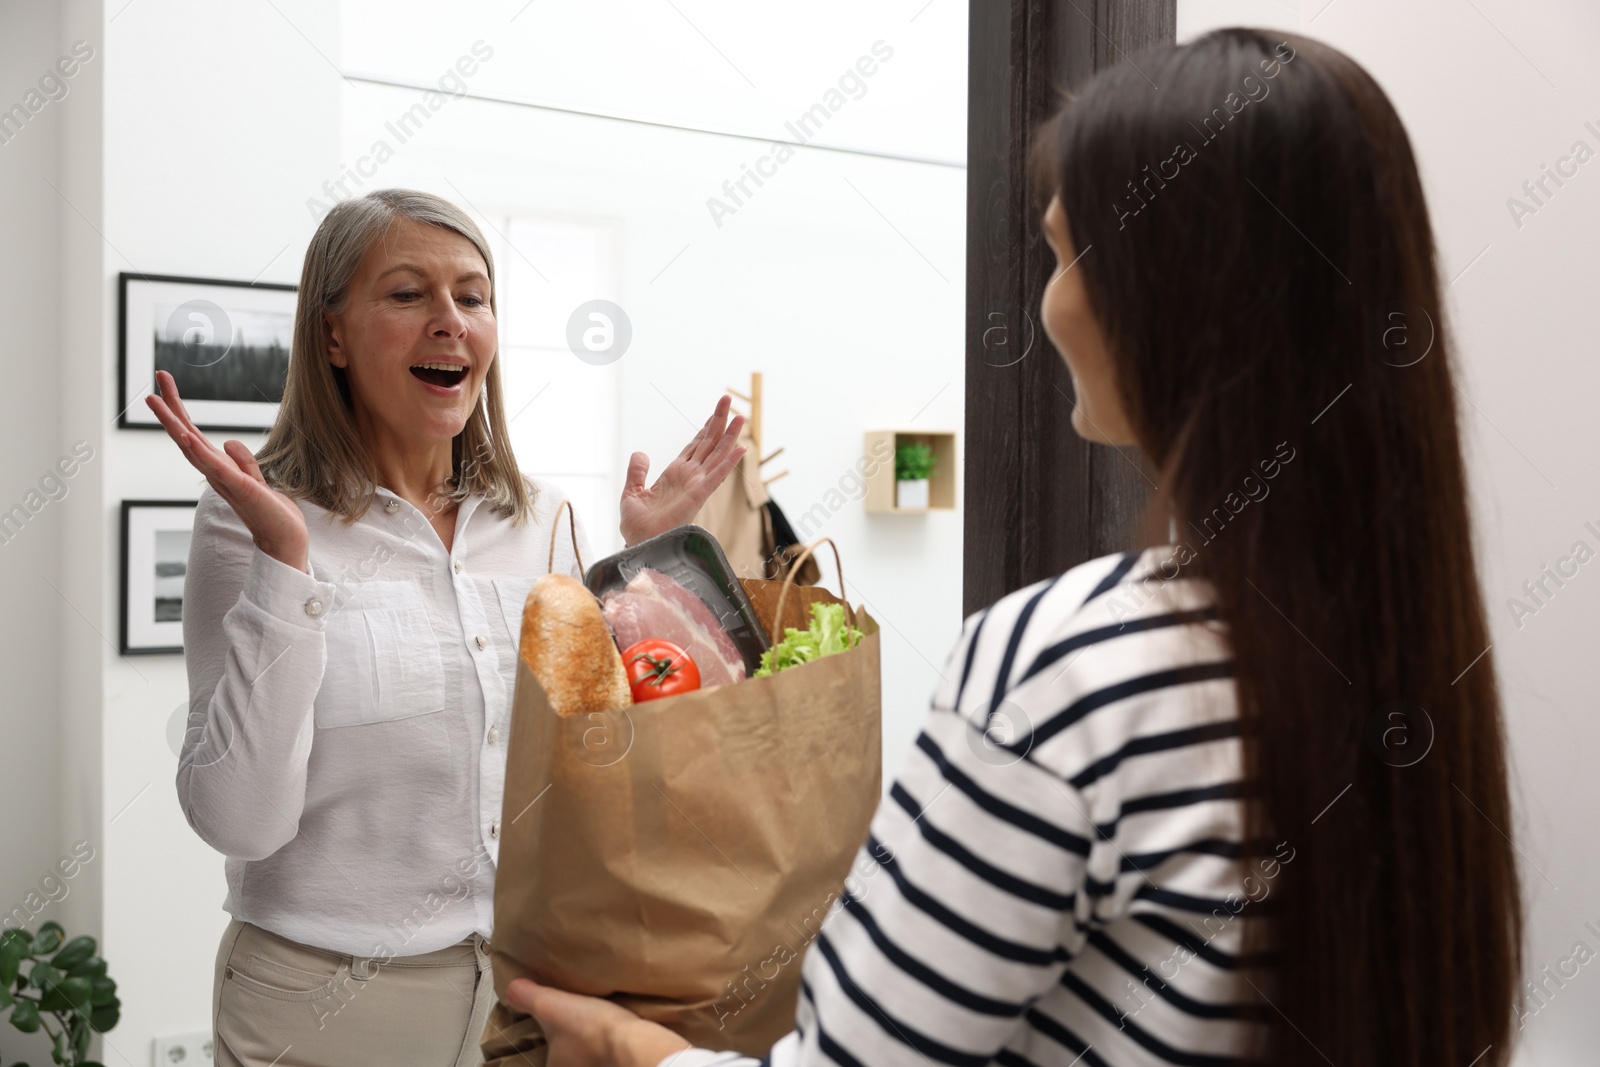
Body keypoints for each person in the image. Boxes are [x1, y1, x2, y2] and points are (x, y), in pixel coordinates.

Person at [505, 28, 1523, 1067]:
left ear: (1166, 293)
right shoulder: (1419, 659)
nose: (1048, 300)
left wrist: (627, 1048)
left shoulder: (1067, 664)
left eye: (1063, 251)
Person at [149, 188, 747, 1067]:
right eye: (406, 294)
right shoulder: (250, 521)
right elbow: (242, 821)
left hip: (525, 989)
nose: (449, 322)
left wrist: (642, 562)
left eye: (472, 297)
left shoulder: (546, 518)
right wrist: (287, 562)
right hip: (320, 1005)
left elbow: (596, 763)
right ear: (333, 336)